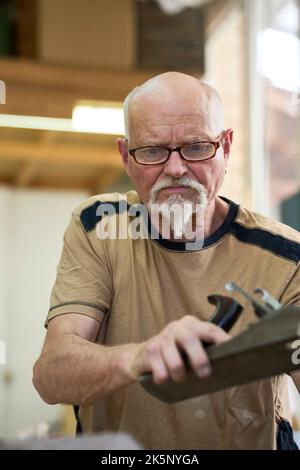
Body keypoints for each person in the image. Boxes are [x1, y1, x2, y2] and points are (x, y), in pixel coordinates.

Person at [33, 72, 300, 450]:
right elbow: (51, 375)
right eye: (154, 151)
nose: (176, 169)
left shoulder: (286, 256)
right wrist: (141, 357)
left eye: (195, 147)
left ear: (225, 147)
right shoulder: (97, 229)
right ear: (126, 156)